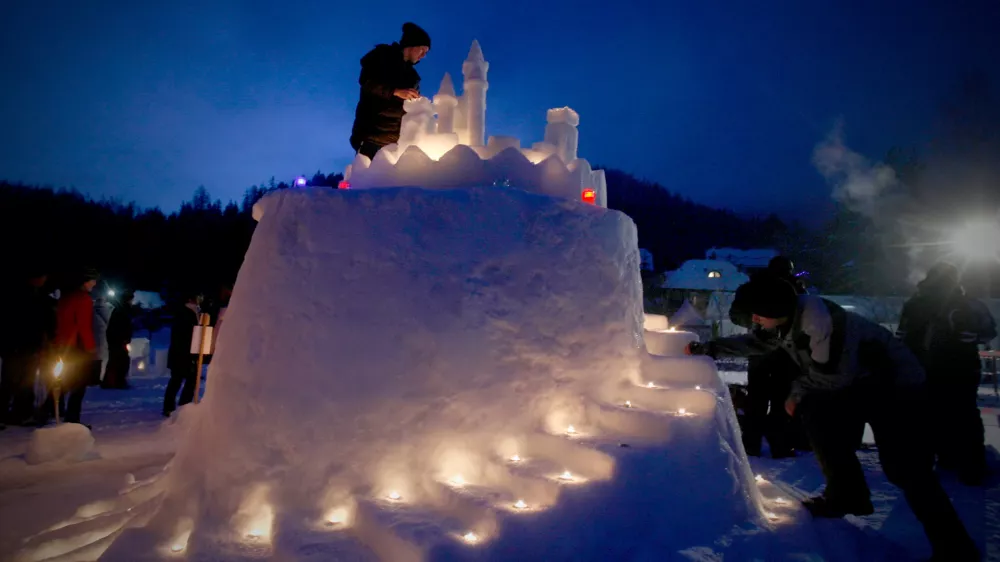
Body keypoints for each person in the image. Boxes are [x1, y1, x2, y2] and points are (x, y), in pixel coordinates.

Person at [687, 275, 978, 560]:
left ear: (775, 309)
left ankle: (956, 548)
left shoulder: (821, 322)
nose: (755, 321)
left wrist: (796, 392)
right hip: (859, 386)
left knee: (906, 469)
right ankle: (847, 494)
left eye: (757, 315)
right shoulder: (787, 318)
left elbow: (834, 376)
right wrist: (713, 348)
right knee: (817, 417)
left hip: (896, 389)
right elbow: (760, 343)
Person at [898, 262, 996, 486]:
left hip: (922, 369)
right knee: (964, 416)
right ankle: (971, 467)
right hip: (961, 369)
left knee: (925, 416)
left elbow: (902, 335)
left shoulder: (914, 304)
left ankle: (931, 463)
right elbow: (988, 330)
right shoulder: (968, 304)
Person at [728, 255, 807, 458]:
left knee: (761, 398)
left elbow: (736, 314)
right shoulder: (792, 288)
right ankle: (773, 445)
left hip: (772, 350)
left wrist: (755, 322)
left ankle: (755, 445)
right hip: (777, 350)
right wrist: (759, 322)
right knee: (773, 399)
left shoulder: (753, 287)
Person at [349, 22, 431, 160]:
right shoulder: (381, 56)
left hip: (395, 142)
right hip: (371, 137)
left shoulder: (413, 77)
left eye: (426, 53)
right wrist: (395, 91)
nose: (423, 56)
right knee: (368, 178)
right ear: (411, 45)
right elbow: (367, 82)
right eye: (422, 50)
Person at [0, 265, 56, 426]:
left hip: (20, 346)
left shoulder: (30, 295)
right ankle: (15, 412)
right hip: (21, 346)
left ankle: (18, 411)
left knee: (18, 381)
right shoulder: (28, 297)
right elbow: (32, 322)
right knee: (18, 380)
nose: (44, 280)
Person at [50, 268, 101, 425]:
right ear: (85, 282)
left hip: (63, 344)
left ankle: (52, 408)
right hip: (77, 347)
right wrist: (91, 347)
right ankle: (73, 418)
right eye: (93, 280)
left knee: (65, 379)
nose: (95, 283)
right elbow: (83, 326)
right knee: (79, 384)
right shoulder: (83, 299)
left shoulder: (66, 297)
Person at [163, 292, 201, 416]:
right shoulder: (186, 313)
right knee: (181, 380)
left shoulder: (192, 312)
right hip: (182, 353)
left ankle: (178, 406)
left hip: (182, 353)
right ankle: (181, 406)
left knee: (179, 380)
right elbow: (185, 336)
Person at [102, 290, 135, 389]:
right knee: (120, 361)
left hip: (116, 340)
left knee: (116, 361)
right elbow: (121, 327)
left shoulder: (120, 310)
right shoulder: (122, 311)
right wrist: (124, 339)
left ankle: (112, 381)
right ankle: (116, 382)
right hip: (118, 340)